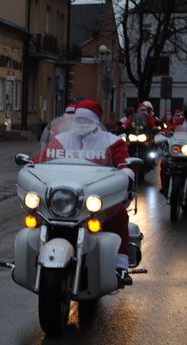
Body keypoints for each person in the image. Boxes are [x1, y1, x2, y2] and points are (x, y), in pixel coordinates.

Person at [38, 100, 134, 284]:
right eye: (79, 120)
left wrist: (127, 174)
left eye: (86, 120)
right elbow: (44, 161)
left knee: (119, 213)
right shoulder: (60, 140)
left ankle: (121, 265)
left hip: (96, 198)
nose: (81, 123)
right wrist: (33, 167)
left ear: (95, 122)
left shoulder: (112, 142)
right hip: (65, 197)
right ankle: (32, 253)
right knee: (35, 212)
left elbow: (123, 164)